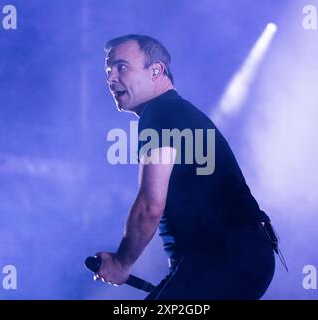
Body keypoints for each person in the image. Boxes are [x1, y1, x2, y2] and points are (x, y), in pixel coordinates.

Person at [94, 34, 278, 299]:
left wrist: (122, 262)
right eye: (108, 70)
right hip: (235, 257)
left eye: (121, 66)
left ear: (156, 70)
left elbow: (150, 206)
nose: (111, 78)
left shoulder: (160, 112)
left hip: (223, 257)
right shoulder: (176, 111)